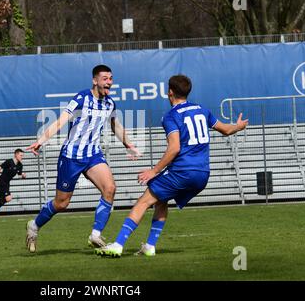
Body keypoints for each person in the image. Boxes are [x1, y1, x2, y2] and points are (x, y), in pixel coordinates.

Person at [95, 74, 248, 257]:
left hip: (183, 171)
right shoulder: (202, 110)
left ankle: (118, 245)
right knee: (161, 201)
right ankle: (150, 246)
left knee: (143, 201)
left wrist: (154, 170)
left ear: (170, 92)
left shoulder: (171, 116)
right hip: (203, 174)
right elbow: (226, 129)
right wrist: (238, 126)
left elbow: (174, 148)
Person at [25, 64, 141, 253]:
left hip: (93, 155)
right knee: (61, 203)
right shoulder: (81, 98)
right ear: (95, 81)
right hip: (71, 156)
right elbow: (60, 121)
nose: (109, 83)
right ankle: (34, 225)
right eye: (105, 79)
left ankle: (95, 234)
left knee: (110, 188)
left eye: (111, 79)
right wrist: (41, 141)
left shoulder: (110, 103)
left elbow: (116, 125)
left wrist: (129, 145)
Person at [0, 149, 27, 218]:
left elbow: (20, 173)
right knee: (8, 198)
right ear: (16, 154)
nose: (22, 157)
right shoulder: (9, 162)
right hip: (1, 181)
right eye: (20, 155)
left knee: (4, 199)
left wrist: (23, 176)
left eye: (22, 156)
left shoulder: (20, 165)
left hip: (7, 183)